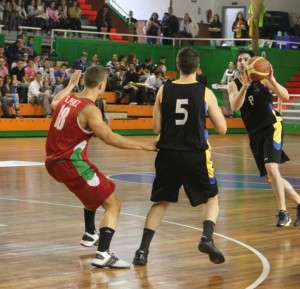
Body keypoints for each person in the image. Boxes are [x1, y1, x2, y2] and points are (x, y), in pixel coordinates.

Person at [45, 66, 156, 269]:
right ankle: (103, 254)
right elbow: (109, 137)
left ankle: (90, 233)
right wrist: (145, 146)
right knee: (113, 203)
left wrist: (70, 85)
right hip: (70, 164)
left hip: (53, 161)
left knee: (96, 190)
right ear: (102, 85)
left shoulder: (67, 99)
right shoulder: (90, 110)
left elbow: (54, 103)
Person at [133, 47, 227, 266]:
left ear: (177, 66)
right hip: (196, 154)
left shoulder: (164, 90)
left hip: (168, 153)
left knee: (160, 202)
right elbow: (222, 129)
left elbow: (156, 128)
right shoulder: (205, 92)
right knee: (211, 198)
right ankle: (206, 237)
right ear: (198, 67)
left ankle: (142, 251)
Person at [228, 48, 300, 227]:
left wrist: (272, 80)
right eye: (240, 60)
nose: (242, 63)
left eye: (246, 59)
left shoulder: (263, 79)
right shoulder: (234, 84)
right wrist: (245, 86)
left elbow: (285, 95)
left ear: (253, 62)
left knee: (271, 168)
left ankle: (283, 212)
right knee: (269, 177)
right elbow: (235, 106)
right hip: (254, 134)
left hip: (272, 126)